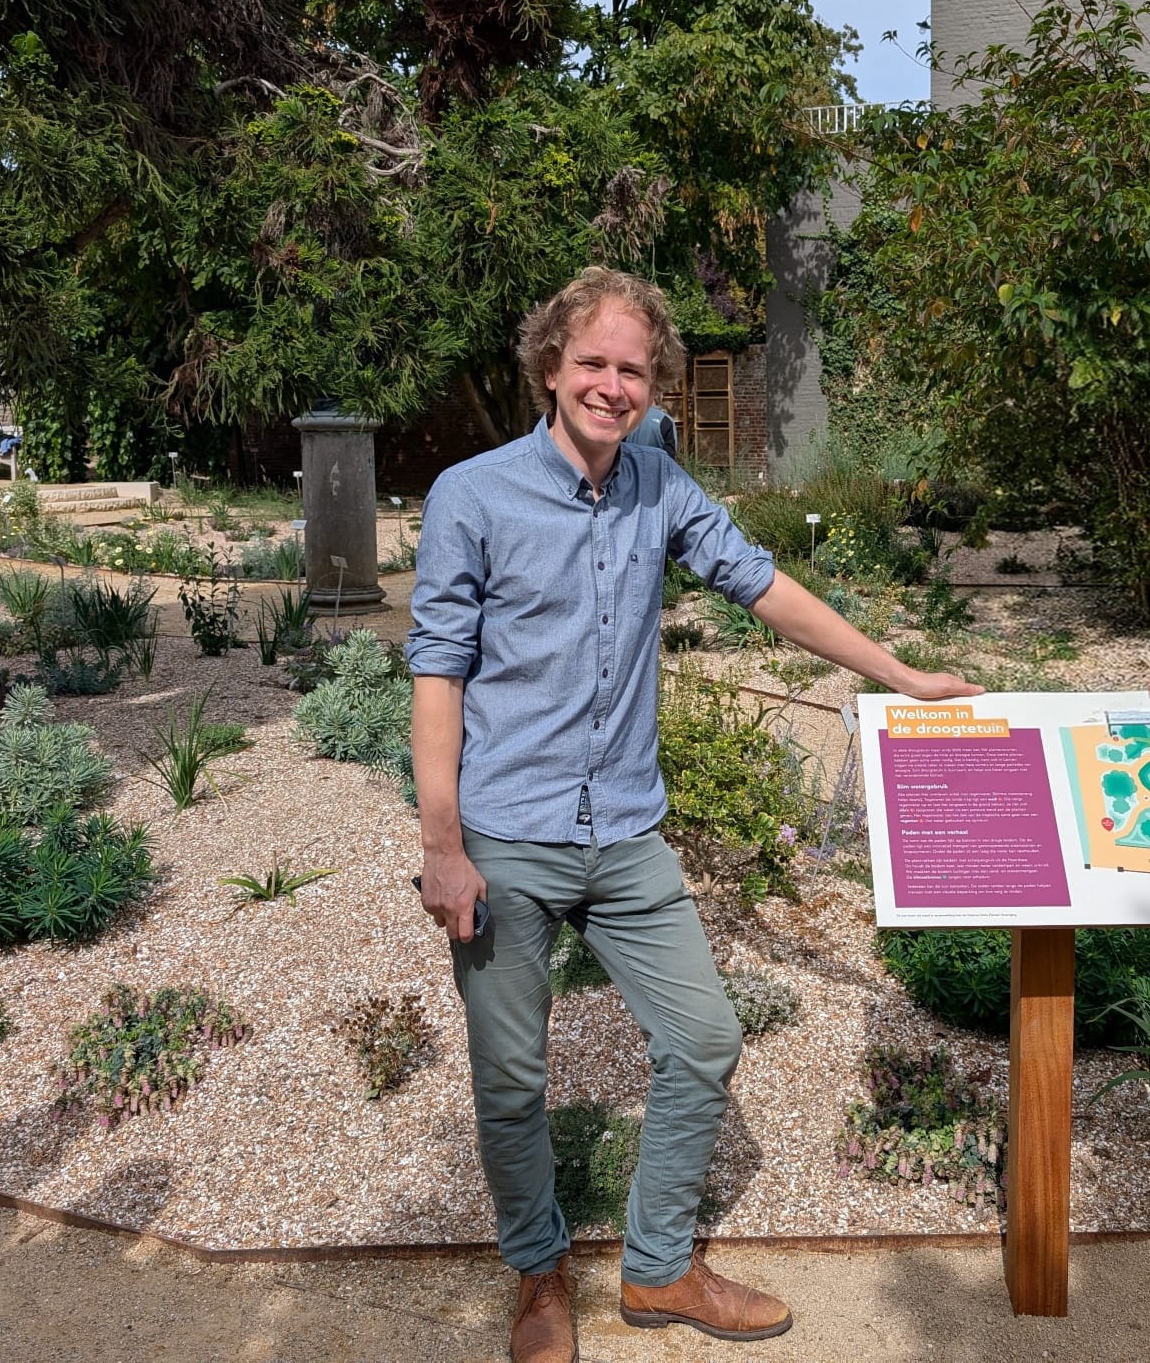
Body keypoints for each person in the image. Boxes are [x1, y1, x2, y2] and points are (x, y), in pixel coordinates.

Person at [406, 266, 980, 1363]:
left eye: (633, 369)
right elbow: (438, 672)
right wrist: (443, 847)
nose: (612, 387)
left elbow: (765, 585)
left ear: (653, 381)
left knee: (708, 1036)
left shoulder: (661, 490)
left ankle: (660, 1268)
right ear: (549, 367)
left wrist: (897, 673)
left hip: (624, 832)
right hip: (510, 835)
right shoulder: (471, 496)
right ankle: (538, 1275)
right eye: (593, 365)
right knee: (512, 1076)